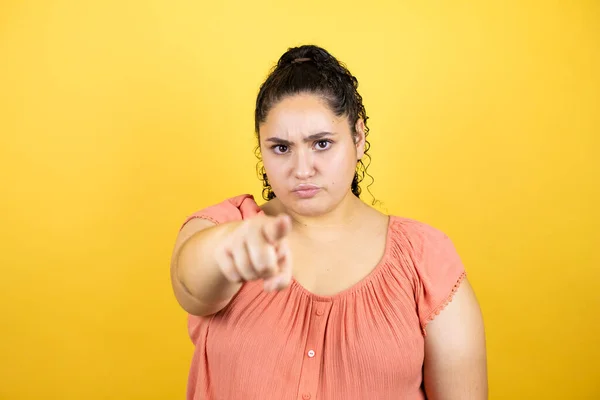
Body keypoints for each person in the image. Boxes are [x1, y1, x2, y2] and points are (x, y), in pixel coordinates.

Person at [170, 44, 488, 400]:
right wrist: (229, 246)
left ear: (358, 137)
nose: (302, 170)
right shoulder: (224, 224)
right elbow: (190, 289)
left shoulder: (425, 257)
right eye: (281, 148)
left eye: (321, 144)